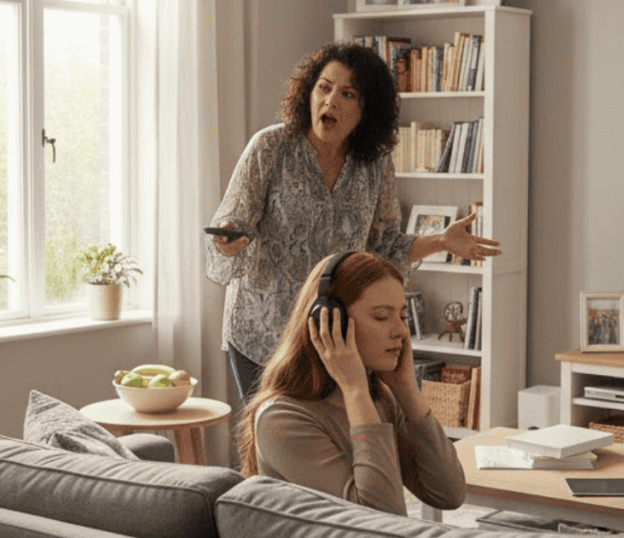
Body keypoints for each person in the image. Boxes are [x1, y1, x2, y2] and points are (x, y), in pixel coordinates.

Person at [206, 42, 501, 403]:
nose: (331, 101)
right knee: (269, 443)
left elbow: (384, 246)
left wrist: (441, 242)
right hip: (260, 329)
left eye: (347, 93)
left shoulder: (374, 165)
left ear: (366, 109)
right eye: (324, 87)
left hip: (331, 334)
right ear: (308, 92)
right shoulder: (270, 147)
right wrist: (228, 240)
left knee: (329, 444)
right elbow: (232, 219)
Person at [236, 251, 466, 516]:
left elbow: (449, 493)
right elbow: (379, 525)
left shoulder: (381, 399)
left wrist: (407, 390)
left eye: (402, 316)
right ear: (330, 322)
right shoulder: (281, 419)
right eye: (381, 316)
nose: (401, 331)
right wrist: (355, 390)